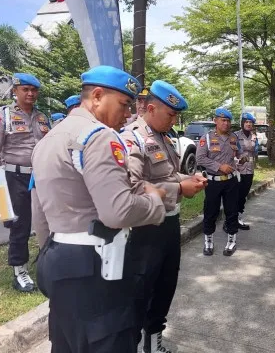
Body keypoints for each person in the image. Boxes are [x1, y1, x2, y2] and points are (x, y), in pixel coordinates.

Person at [31, 65, 168, 353]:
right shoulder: (99, 136)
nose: (128, 113)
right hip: (97, 270)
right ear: (96, 96)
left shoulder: (48, 140)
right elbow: (117, 212)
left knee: (67, 343)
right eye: (123, 104)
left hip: (58, 259)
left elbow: (39, 212)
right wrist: (155, 201)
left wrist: (51, 256)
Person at [121, 80, 207, 353]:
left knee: (165, 285)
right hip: (145, 229)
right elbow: (133, 188)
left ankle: (153, 343)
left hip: (169, 223)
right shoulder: (132, 138)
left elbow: (166, 176)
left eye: (176, 115)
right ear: (150, 108)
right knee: (139, 291)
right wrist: (180, 188)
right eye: (171, 114)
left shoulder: (163, 137)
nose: (174, 120)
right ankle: (131, 345)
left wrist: (187, 178)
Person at [0, 73, 51, 293]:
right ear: (15, 91)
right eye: (25, 89)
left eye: (34, 90)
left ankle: (46, 260)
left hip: (40, 176)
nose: (30, 94)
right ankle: (19, 270)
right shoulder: (2, 115)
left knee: (46, 220)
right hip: (14, 177)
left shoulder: (42, 117)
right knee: (20, 225)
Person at [197, 107, 241, 256]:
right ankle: (208, 241)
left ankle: (231, 240)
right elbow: (200, 158)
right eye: (223, 120)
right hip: (213, 182)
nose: (226, 124)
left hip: (230, 182)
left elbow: (238, 155)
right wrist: (219, 166)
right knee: (210, 212)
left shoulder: (234, 137)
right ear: (215, 121)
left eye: (228, 121)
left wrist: (240, 161)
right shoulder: (207, 138)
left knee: (232, 211)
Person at [233, 112, 259, 230]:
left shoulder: (254, 136)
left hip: (249, 170)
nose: (248, 124)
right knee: (236, 195)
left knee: (243, 195)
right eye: (246, 122)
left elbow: (255, 152)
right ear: (243, 123)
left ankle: (238, 217)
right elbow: (231, 153)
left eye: (251, 122)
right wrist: (237, 162)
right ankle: (231, 220)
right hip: (238, 170)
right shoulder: (235, 135)